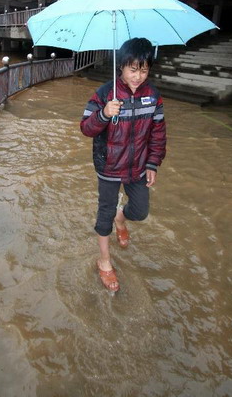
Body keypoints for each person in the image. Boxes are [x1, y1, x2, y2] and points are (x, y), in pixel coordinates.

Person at [80, 38, 166, 292]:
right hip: (108, 166)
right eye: (133, 69)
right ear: (121, 67)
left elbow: (158, 134)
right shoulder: (105, 93)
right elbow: (86, 128)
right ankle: (104, 260)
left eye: (144, 70)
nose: (138, 76)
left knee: (140, 211)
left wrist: (152, 163)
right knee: (104, 213)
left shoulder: (153, 97)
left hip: (137, 166)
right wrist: (104, 113)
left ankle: (122, 217)